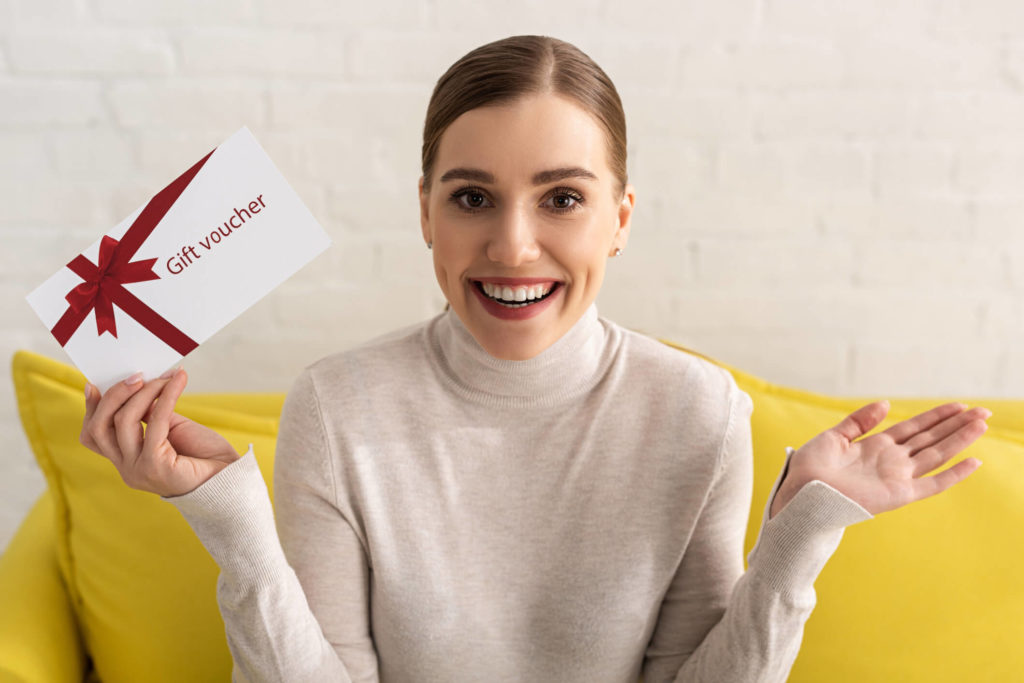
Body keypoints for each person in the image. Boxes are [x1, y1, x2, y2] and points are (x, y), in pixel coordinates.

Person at [79, 34, 990, 683]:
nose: (514, 246)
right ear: (426, 212)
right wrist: (226, 515)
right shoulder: (338, 403)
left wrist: (800, 534)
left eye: (562, 199)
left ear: (620, 219)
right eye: (473, 196)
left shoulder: (699, 411)